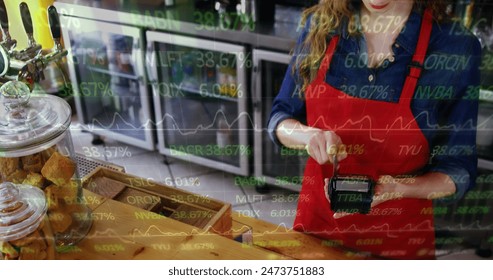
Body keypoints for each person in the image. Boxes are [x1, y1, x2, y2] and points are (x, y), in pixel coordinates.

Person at [268, 0, 481, 259]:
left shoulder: (456, 47)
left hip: (398, 239)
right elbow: (280, 118)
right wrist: (308, 136)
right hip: (318, 230)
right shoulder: (322, 25)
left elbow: (458, 170)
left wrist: (399, 189)